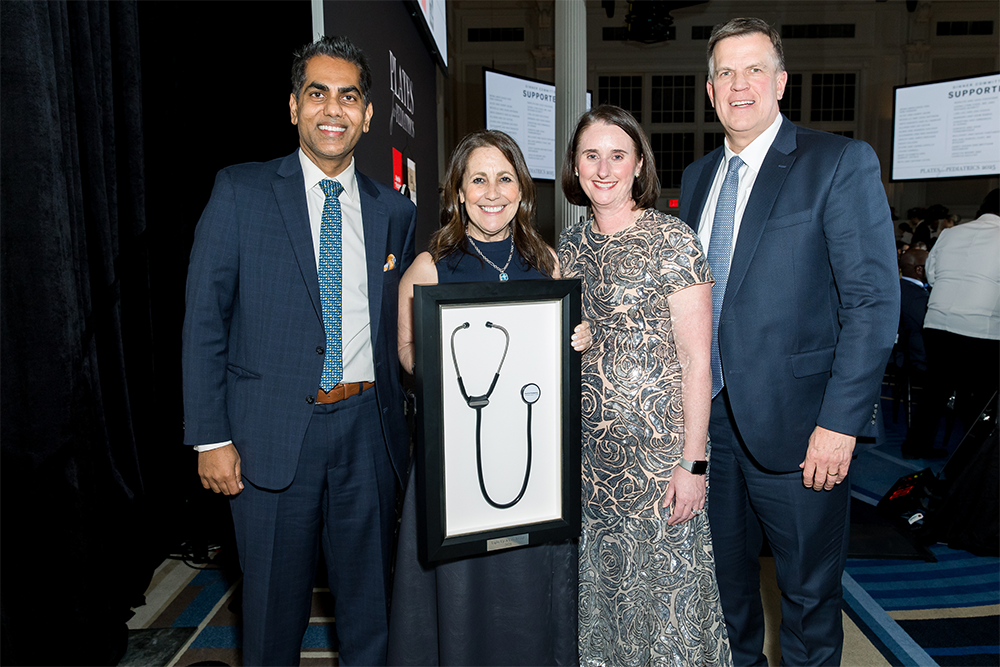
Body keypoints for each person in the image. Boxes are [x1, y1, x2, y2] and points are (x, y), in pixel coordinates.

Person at [182, 36, 416, 667]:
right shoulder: (240, 192)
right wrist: (210, 437)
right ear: (293, 107)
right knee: (271, 614)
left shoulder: (394, 210)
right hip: (269, 437)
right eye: (317, 93)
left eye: (348, 96)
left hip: (368, 434)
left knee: (373, 612)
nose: (332, 108)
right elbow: (205, 320)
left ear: (368, 114)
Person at [678, 18, 899, 667]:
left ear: (780, 81)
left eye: (753, 69)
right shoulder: (695, 179)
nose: (738, 84)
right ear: (710, 91)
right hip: (709, 432)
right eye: (725, 72)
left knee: (806, 599)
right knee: (725, 594)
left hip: (805, 432)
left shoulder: (837, 162)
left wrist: (841, 423)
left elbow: (873, 304)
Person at [387, 129, 591, 667]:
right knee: (460, 590)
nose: (492, 191)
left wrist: (579, 337)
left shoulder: (546, 260)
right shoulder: (432, 265)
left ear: (523, 191)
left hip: (533, 468)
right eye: (478, 178)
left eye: (505, 178)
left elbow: (564, 344)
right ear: (457, 190)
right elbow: (406, 350)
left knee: (527, 590)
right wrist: (431, 366)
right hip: (455, 467)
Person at [557, 105, 732, 666]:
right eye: (591, 155)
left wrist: (694, 464)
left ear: (638, 166)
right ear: (574, 166)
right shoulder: (568, 245)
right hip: (589, 460)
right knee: (606, 597)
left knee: (667, 607)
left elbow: (697, 361)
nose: (603, 169)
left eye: (617, 155)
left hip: (659, 463)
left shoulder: (673, 240)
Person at [909, 189, 1000, 456]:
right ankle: (974, 457)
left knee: (935, 390)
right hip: (981, 328)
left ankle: (916, 445)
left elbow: (932, 275)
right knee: (979, 399)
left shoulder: (950, 233)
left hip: (937, 322)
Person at [894, 249, 935, 458]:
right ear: (920, 269)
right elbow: (930, 326)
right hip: (918, 359)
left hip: (906, 354)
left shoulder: (900, 288)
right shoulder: (915, 296)